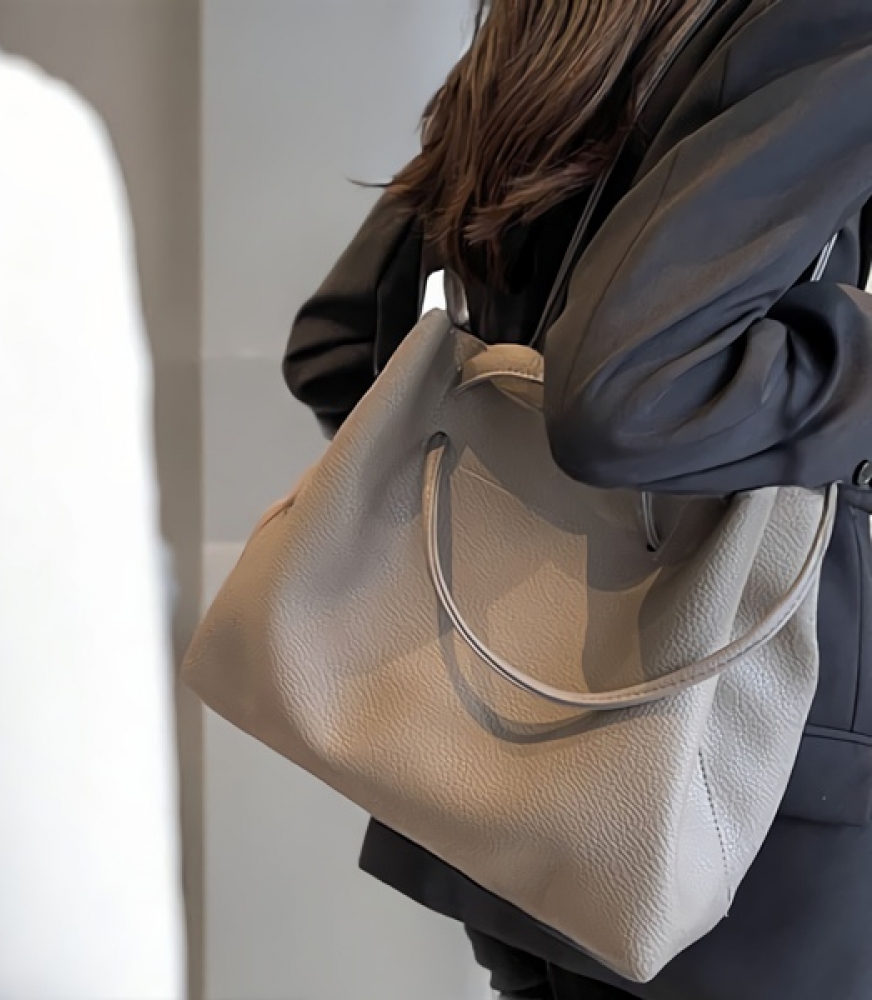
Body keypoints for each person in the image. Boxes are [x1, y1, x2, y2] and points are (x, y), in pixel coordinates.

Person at [282, 1, 872, 998]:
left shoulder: (559, 26)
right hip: (745, 810)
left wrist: (530, 544)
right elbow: (628, 395)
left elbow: (337, 347)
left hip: (520, 771)